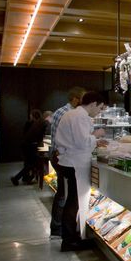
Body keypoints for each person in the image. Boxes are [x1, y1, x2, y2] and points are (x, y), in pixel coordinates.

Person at [54, 91, 107, 251]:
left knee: (73, 200)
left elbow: (79, 139)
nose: (99, 112)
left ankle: (72, 237)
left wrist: (95, 140)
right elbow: (82, 141)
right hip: (74, 163)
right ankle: (69, 240)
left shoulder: (74, 114)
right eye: (100, 108)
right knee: (73, 202)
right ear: (93, 104)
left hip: (70, 161)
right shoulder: (79, 116)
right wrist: (96, 135)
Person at [50, 87, 86, 238]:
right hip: (63, 158)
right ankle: (59, 230)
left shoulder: (61, 111)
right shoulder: (69, 114)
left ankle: (59, 229)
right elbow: (76, 139)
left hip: (58, 155)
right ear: (76, 99)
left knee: (63, 193)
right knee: (64, 195)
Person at [11, 109, 48, 186]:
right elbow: (44, 137)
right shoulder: (43, 123)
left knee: (29, 163)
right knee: (33, 164)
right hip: (30, 146)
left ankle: (24, 178)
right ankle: (18, 178)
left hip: (26, 145)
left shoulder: (37, 123)